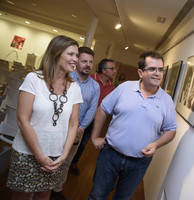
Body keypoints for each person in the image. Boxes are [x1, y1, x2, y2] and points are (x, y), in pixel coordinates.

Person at [89, 51, 177, 200]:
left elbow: (171, 130)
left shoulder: (167, 101)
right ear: (140, 72)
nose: (158, 73)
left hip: (139, 162)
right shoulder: (125, 88)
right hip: (110, 155)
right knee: (97, 195)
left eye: (161, 70)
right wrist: (95, 136)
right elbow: (103, 109)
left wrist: (156, 144)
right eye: (152, 69)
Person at [6, 35, 83, 200]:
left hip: (56, 154)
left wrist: (63, 156)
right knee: (20, 195)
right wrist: (40, 156)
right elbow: (22, 119)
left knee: (44, 194)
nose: (75, 59)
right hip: (27, 152)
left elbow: (73, 123)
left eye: (77, 55)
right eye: (71, 54)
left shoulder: (75, 87)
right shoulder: (34, 79)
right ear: (56, 54)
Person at [52, 47, 100, 200]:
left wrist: (81, 128)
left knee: (66, 162)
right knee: (51, 158)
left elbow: (92, 109)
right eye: (84, 61)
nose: (87, 65)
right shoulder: (66, 78)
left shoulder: (95, 86)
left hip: (76, 131)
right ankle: (41, 189)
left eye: (91, 62)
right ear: (77, 61)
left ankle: (57, 189)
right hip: (56, 128)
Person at [69, 58, 116, 175]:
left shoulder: (112, 87)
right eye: (112, 69)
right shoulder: (91, 80)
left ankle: (73, 163)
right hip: (81, 117)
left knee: (83, 142)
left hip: (95, 120)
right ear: (104, 70)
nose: (115, 71)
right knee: (71, 139)